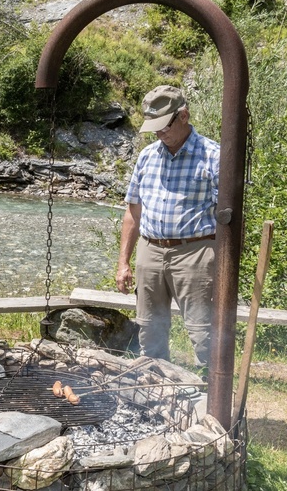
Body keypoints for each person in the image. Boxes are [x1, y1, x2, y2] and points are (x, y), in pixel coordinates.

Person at [115, 85, 219, 368]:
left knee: (202, 329)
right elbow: (133, 211)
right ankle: (154, 380)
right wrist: (123, 263)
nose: (159, 133)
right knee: (149, 327)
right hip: (150, 250)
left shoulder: (213, 155)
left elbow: (230, 217)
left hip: (196, 252)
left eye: (164, 126)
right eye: (154, 127)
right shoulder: (147, 156)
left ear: (183, 116)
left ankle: (210, 385)